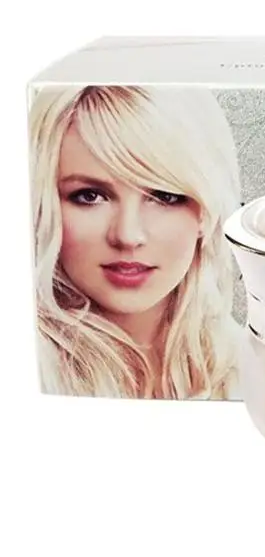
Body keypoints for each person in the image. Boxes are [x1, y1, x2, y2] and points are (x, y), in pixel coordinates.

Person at [29, 85, 243, 399]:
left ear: (205, 213)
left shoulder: (253, 370)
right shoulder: (26, 368)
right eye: (90, 196)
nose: (128, 236)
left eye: (164, 196)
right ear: (44, 204)